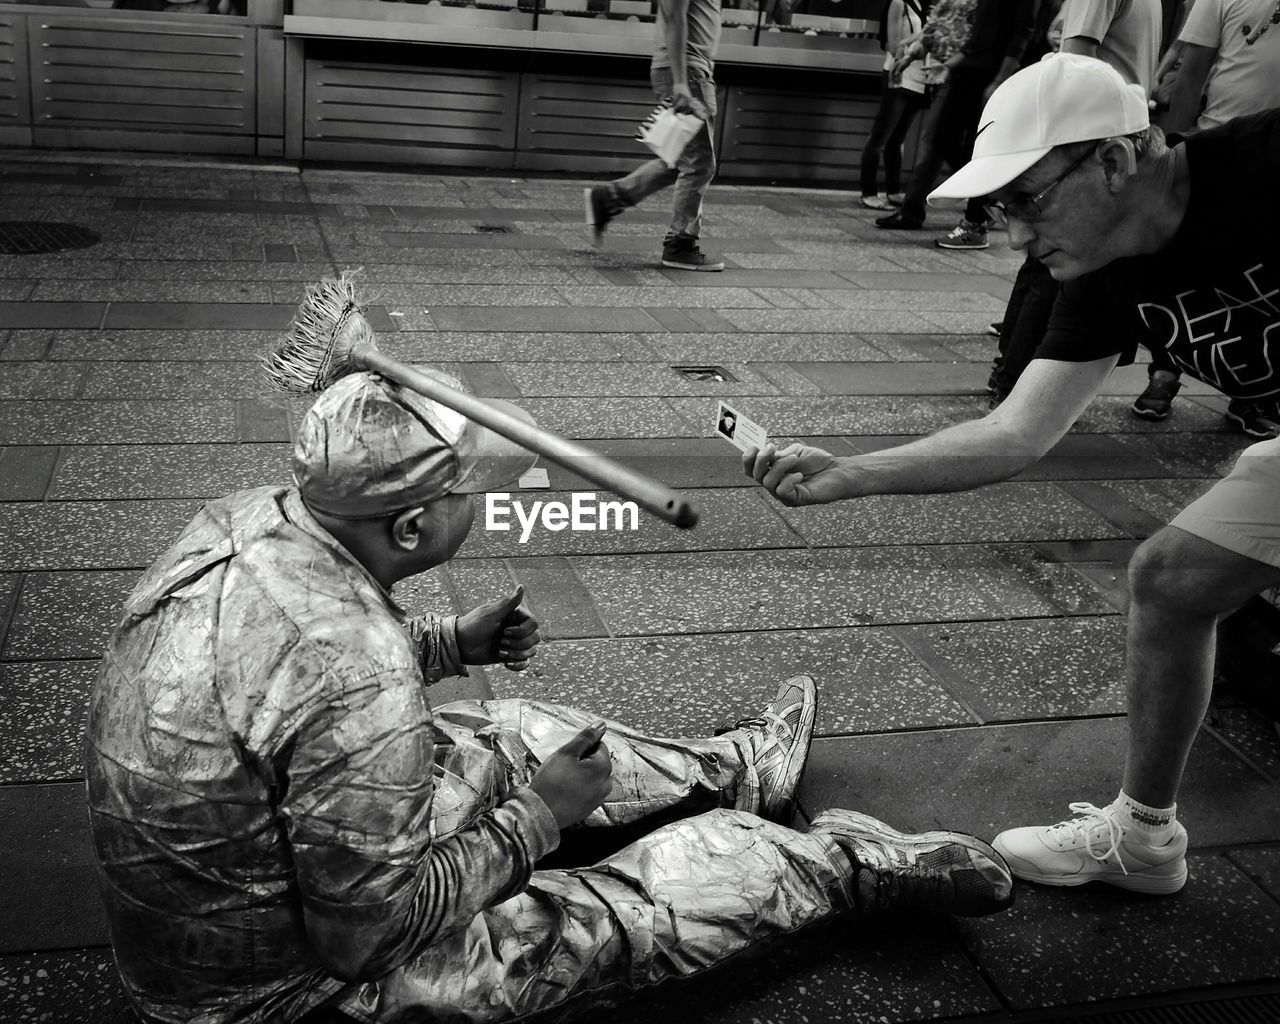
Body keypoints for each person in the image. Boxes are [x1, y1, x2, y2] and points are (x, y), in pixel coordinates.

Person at [86, 356, 1015, 1023]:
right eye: (463, 492)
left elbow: (284, 690)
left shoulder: (254, 518)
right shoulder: (352, 664)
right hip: (297, 994)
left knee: (505, 727)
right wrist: (536, 817)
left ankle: (727, 769)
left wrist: (450, 641)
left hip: (260, 890)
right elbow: (364, 941)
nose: (482, 502)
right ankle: (836, 866)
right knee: (610, 915)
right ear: (410, 526)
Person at [745, 54, 1280, 895]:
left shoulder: (1265, 163)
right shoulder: (1104, 266)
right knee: (1173, 582)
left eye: (1027, 201)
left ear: (1113, 159)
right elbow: (1018, 431)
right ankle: (1144, 839)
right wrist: (851, 473)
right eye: (1002, 209)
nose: (1017, 236)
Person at [988, 0, 1160, 404]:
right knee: (1046, 270)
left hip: (1095, 141)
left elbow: (1074, 70)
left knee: (1049, 272)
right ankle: (1014, 381)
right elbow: (1074, 66)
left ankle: (1015, 382)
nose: (1010, 237)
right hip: (1106, 140)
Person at [1129, 0, 1280, 434]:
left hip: (1273, 162)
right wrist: (1173, 146)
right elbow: (1194, 67)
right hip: (1214, 150)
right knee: (1179, 271)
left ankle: (1254, 395)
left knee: (1255, 277)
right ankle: (1164, 372)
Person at [875, 0, 1037, 249]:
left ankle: (977, 220)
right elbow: (975, 37)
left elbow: (1023, 31)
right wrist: (950, 65)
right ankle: (992, 193)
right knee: (943, 138)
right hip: (968, 68)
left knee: (976, 148)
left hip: (990, 73)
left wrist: (1001, 79)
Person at [584, 0, 725, 271]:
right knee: (699, 164)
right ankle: (679, 244)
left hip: (696, 69)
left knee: (681, 161)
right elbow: (674, 16)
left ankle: (608, 199)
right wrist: (681, 82)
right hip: (688, 71)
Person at [860, 0, 929, 211]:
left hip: (917, 78)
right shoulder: (898, 3)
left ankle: (892, 190)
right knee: (880, 135)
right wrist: (925, 35)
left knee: (898, 138)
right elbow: (893, 44)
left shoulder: (921, 3)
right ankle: (868, 192)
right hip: (897, 75)